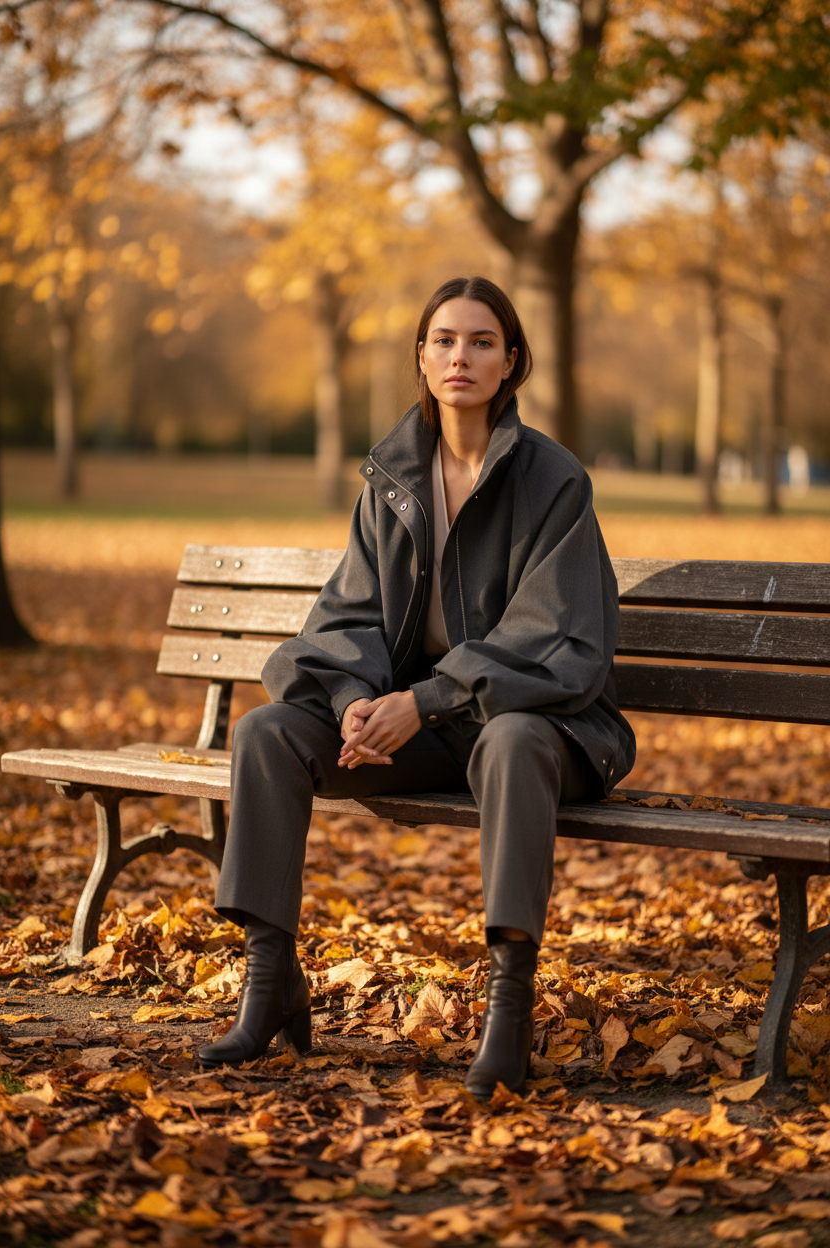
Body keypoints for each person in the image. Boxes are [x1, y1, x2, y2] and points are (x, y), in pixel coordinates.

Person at [198, 276, 636, 1098]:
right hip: (431, 734)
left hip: (551, 732)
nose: (460, 356)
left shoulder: (554, 480)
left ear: (511, 363)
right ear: (423, 358)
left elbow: (556, 640)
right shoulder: (394, 476)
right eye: (444, 340)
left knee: (510, 737)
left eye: (481, 341)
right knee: (266, 733)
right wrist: (352, 704)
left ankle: (508, 1013)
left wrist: (425, 701)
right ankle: (270, 982)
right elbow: (349, 614)